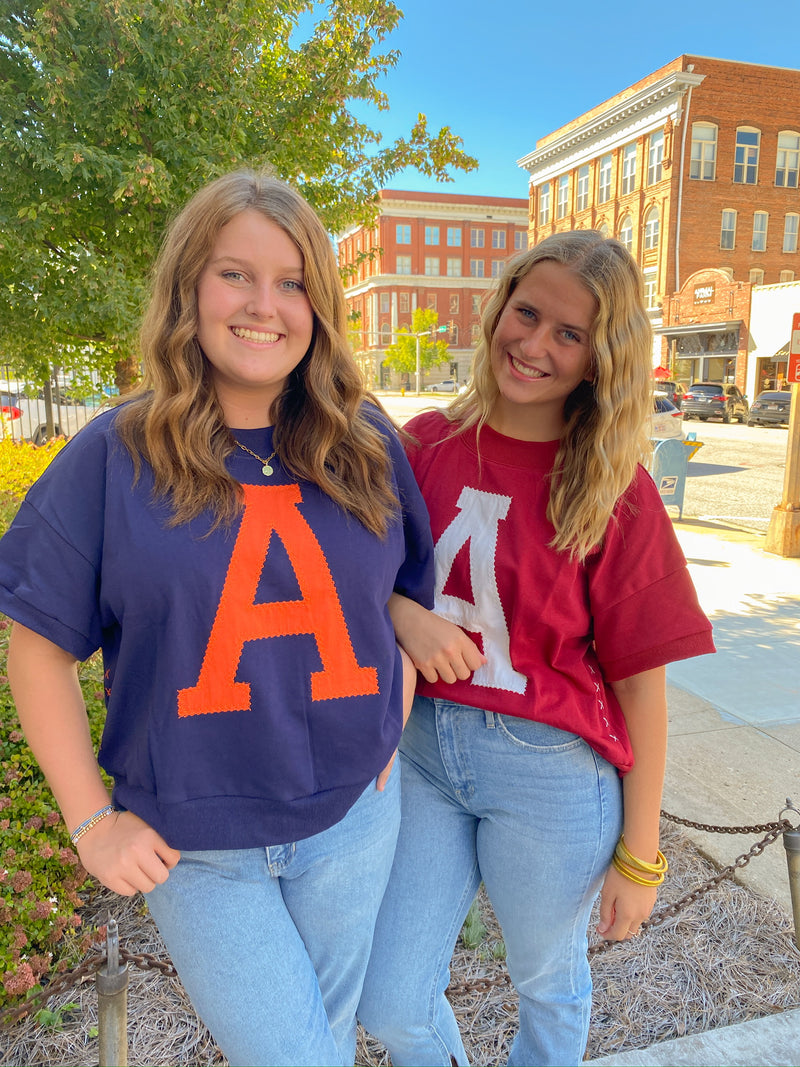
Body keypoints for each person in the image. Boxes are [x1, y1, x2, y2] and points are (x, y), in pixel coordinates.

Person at [0, 170, 433, 1067]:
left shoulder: (366, 442)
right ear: (188, 287)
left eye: (292, 280)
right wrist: (90, 823)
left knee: (324, 1038)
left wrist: (389, 719)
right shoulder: (113, 456)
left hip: (353, 820)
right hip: (195, 847)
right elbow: (37, 647)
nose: (264, 304)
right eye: (236, 274)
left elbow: (401, 592)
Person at [358, 230, 715, 1066]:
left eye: (570, 333)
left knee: (546, 979)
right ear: (500, 308)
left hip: (549, 773)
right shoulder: (421, 447)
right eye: (528, 313)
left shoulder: (611, 486)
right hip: (420, 753)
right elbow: (347, 579)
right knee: (392, 994)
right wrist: (404, 615)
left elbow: (639, 687)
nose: (535, 343)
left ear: (601, 358)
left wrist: (642, 852)